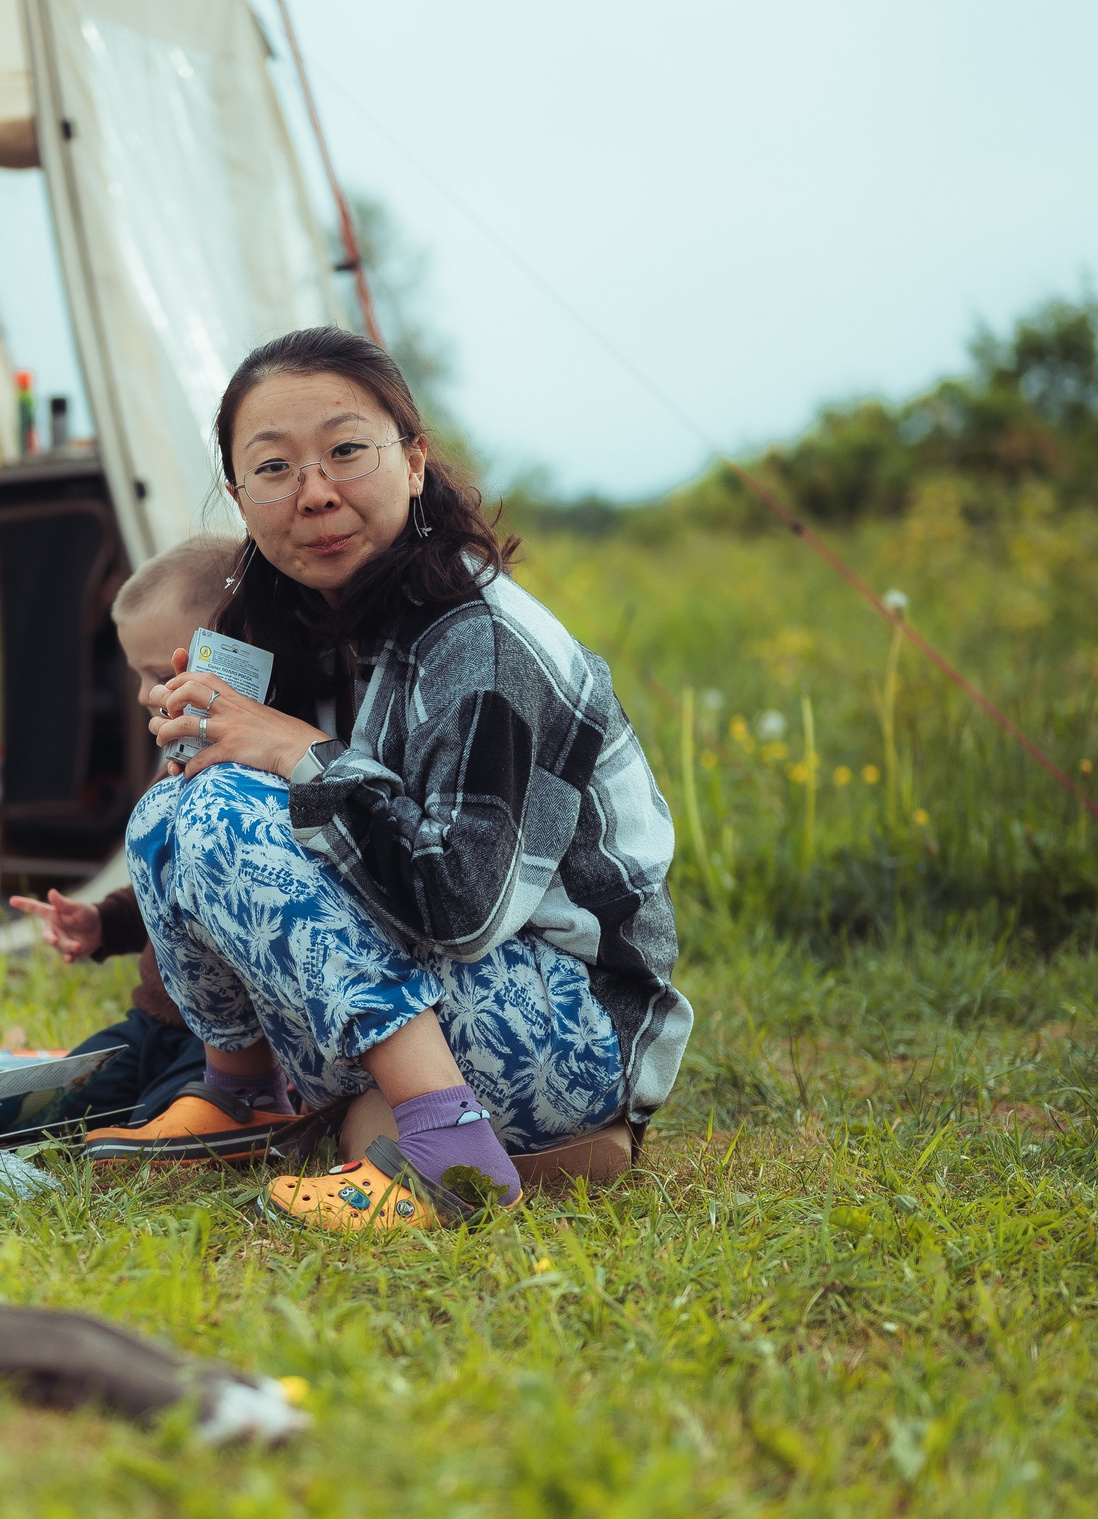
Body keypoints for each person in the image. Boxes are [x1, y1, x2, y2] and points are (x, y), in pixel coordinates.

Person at [112, 326, 692, 1228]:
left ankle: (445, 1148)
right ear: (237, 493)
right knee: (174, 803)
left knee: (229, 798)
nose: (314, 494)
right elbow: (213, 840)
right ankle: (242, 1095)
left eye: (347, 451)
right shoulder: (286, 617)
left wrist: (300, 750)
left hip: (569, 1023)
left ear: (414, 461)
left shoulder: (485, 642)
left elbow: (462, 909)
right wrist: (213, 731)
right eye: (272, 468)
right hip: (444, 998)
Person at [9, 536, 276, 1155]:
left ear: (236, 657)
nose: (141, 696)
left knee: (153, 1130)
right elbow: (168, 892)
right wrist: (103, 923)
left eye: (160, 674)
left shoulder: (258, 775)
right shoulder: (177, 760)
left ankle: (259, 1114)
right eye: (137, 675)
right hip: (153, 1022)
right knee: (40, 1105)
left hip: (235, 1046)